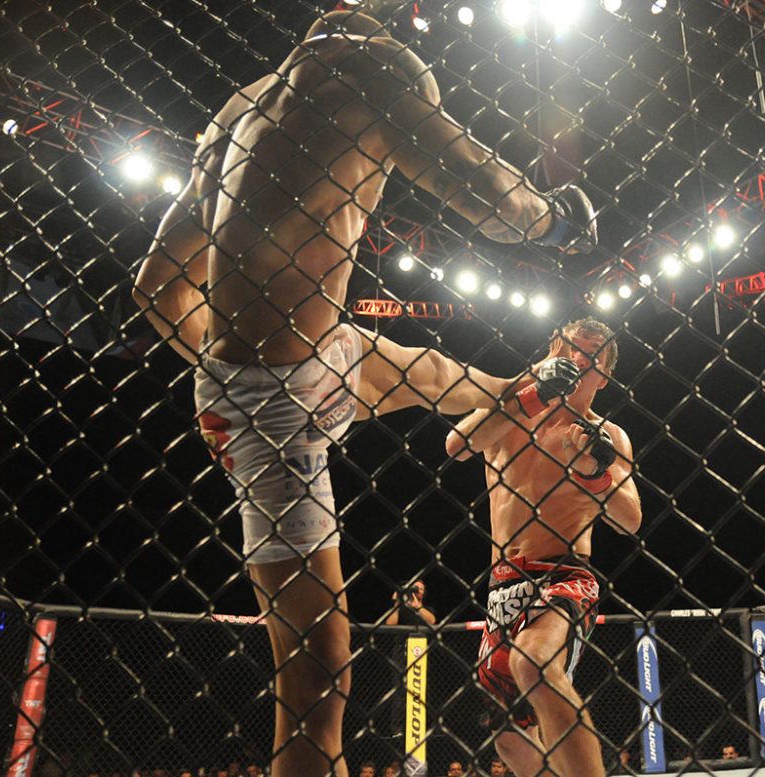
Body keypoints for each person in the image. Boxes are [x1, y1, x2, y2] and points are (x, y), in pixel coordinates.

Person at [133, 7, 598, 777]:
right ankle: (500, 387)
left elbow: (156, 285)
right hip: (275, 396)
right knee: (317, 672)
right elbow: (490, 193)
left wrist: (229, 379)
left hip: (262, 374)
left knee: (423, 370)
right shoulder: (377, 69)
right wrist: (558, 222)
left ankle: (514, 389)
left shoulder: (239, 108)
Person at [445, 318, 641, 777]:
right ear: (552, 351)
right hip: (501, 584)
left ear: (604, 377)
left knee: (533, 661)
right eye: (570, 350)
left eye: (591, 357)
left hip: (564, 577)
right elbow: (457, 444)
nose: (577, 361)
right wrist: (531, 389)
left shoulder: (606, 435)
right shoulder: (511, 412)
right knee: (510, 739)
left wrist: (594, 472)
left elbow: (629, 520)